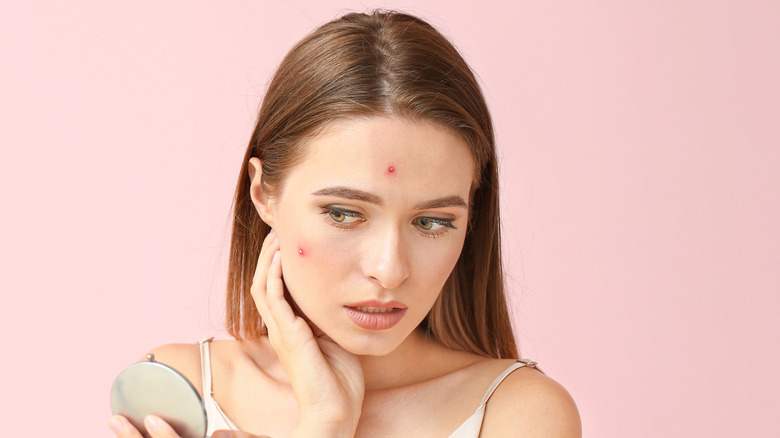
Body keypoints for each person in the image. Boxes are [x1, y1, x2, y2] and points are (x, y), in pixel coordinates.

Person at [108, 10, 581, 438]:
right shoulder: (176, 394)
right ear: (263, 194)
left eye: (433, 221)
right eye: (343, 214)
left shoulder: (520, 414)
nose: (389, 269)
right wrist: (323, 421)